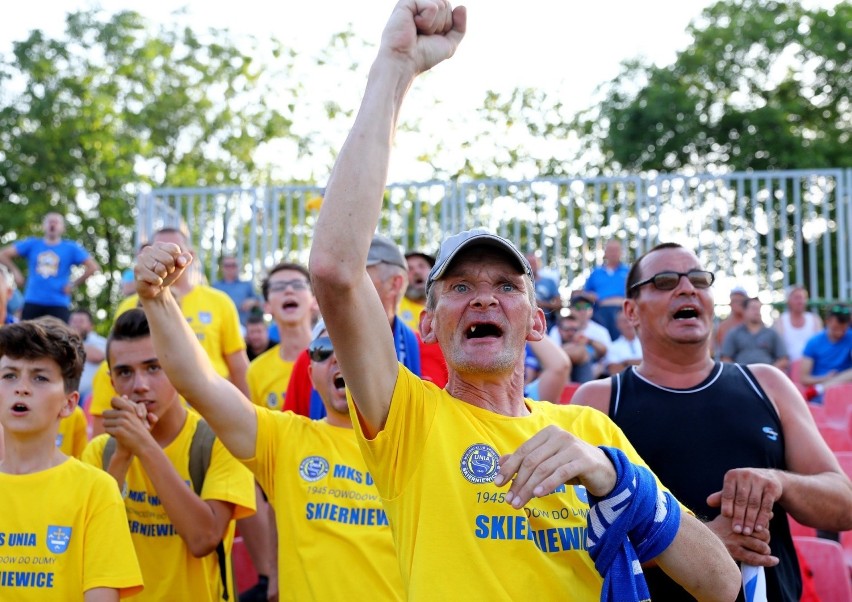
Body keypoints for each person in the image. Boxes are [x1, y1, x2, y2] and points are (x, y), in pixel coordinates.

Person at [306, 3, 741, 600]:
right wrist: (396, 67)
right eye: (460, 287)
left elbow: (720, 584)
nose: (484, 298)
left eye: (506, 286)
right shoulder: (410, 419)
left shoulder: (588, 430)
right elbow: (334, 270)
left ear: (536, 322)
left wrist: (612, 474)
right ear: (428, 325)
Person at [571, 242, 852, 600]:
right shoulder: (599, 400)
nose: (687, 288)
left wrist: (777, 482)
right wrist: (703, 543)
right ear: (631, 311)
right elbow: (577, 538)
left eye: (699, 280)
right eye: (665, 281)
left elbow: (845, 504)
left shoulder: (767, 383)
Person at [132, 250, 406, 602]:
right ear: (310, 375)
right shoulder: (285, 439)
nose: (339, 354)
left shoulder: (411, 441)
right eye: (322, 348)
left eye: (351, 341)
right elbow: (199, 383)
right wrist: (157, 299)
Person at [81, 309, 256, 602]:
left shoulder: (218, 441)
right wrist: (123, 455)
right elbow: (90, 547)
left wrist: (144, 446)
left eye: (154, 367)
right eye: (125, 372)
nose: (140, 385)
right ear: (111, 382)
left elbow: (203, 539)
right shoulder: (100, 451)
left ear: (177, 368)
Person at [0, 317, 143, 600]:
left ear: (69, 403)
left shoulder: (96, 490)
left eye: (40, 377)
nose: (22, 388)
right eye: (9, 375)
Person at [0, 212, 100, 322]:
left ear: (63, 228)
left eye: (56, 222)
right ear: (43, 226)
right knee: (26, 336)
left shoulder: (71, 248)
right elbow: (3, 254)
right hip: (33, 299)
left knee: (59, 337)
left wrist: (73, 284)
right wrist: (15, 271)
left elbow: (93, 267)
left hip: (58, 302)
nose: (53, 224)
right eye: (49, 221)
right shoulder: (32, 244)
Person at [799, 304, 852, 402]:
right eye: (837, 326)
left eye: (844, 326)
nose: (841, 330)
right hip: (822, 395)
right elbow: (804, 378)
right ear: (828, 321)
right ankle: (821, 389)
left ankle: (820, 388)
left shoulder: (850, 336)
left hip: (845, 388)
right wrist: (825, 378)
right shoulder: (813, 342)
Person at [721, 297, 789, 372]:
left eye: (759, 308)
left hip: (767, 378)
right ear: (744, 311)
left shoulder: (772, 333)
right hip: (741, 377)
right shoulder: (734, 333)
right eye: (753, 308)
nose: (757, 312)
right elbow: (726, 358)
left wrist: (770, 372)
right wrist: (737, 373)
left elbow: (783, 359)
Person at [582, 238, 629, 340]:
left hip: (622, 311)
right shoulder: (596, 273)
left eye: (616, 250)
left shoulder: (628, 271)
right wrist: (591, 296)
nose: (613, 253)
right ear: (605, 253)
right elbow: (586, 293)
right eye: (611, 250)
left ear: (621, 252)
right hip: (601, 312)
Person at [773, 286, 823, 363]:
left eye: (803, 298)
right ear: (788, 300)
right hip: (787, 366)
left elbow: (820, 345)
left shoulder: (814, 319)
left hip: (812, 365)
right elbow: (778, 349)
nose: (800, 301)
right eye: (797, 298)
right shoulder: (780, 321)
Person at [212, 255, 262, 328]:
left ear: (238, 267)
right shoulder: (216, 286)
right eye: (227, 265)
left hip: (243, 327)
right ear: (222, 268)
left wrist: (252, 302)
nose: (230, 268)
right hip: (221, 327)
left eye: (233, 265)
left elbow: (260, 301)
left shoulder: (246, 285)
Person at [69, 308, 107, 403]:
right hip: (69, 395)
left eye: (81, 321)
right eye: (74, 321)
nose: (76, 324)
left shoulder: (99, 341)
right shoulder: (64, 342)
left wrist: (75, 340)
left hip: (91, 396)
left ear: (91, 326)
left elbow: (97, 356)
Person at [525, 251, 562, 332]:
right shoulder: (520, 282)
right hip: (525, 322)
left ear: (539, 263)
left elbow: (559, 305)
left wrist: (542, 304)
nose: (532, 265)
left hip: (547, 323)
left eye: (534, 262)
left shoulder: (549, 282)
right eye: (530, 263)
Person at [398, 249, 434, 331]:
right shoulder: (392, 307)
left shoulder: (447, 306)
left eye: (422, 266)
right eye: (409, 268)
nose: (417, 272)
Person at [604, 309, 642, 376]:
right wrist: (641, 363)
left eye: (631, 320)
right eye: (625, 321)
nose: (630, 324)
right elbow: (614, 371)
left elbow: (654, 365)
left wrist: (626, 363)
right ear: (617, 324)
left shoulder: (648, 343)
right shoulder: (612, 347)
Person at [714, 286, 748, 356]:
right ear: (730, 304)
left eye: (742, 302)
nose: (739, 304)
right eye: (736, 301)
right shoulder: (722, 327)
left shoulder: (755, 324)